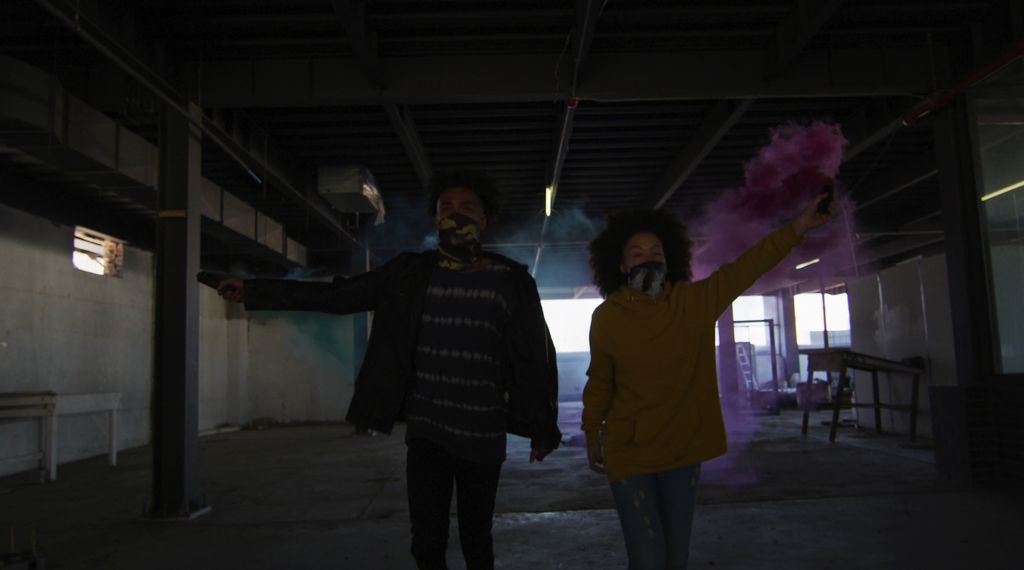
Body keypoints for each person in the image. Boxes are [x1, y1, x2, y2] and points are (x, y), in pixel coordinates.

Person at [216, 170, 561, 570]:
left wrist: (542, 425)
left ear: (485, 219)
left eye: (467, 208)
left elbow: (535, 355)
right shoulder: (410, 272)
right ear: (434, 219)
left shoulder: (510, 280)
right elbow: (338, 295)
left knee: (477, 540)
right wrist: (255, 291)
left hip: (482, 432)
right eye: (445, 208)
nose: (456, 215)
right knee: (427, 542)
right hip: (428, 428)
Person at [581, 193, 834, 569]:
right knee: (647, 560)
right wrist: (591, 431)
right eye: (637, 253)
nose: (649, 257)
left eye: (656, 251)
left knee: (675, 559)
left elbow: (747, 266)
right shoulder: (606, 318)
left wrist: (796, 228)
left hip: (683, 450)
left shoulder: (695, 302)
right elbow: (600, 380)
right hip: (629, 451)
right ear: (619, 265)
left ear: (670, 259)